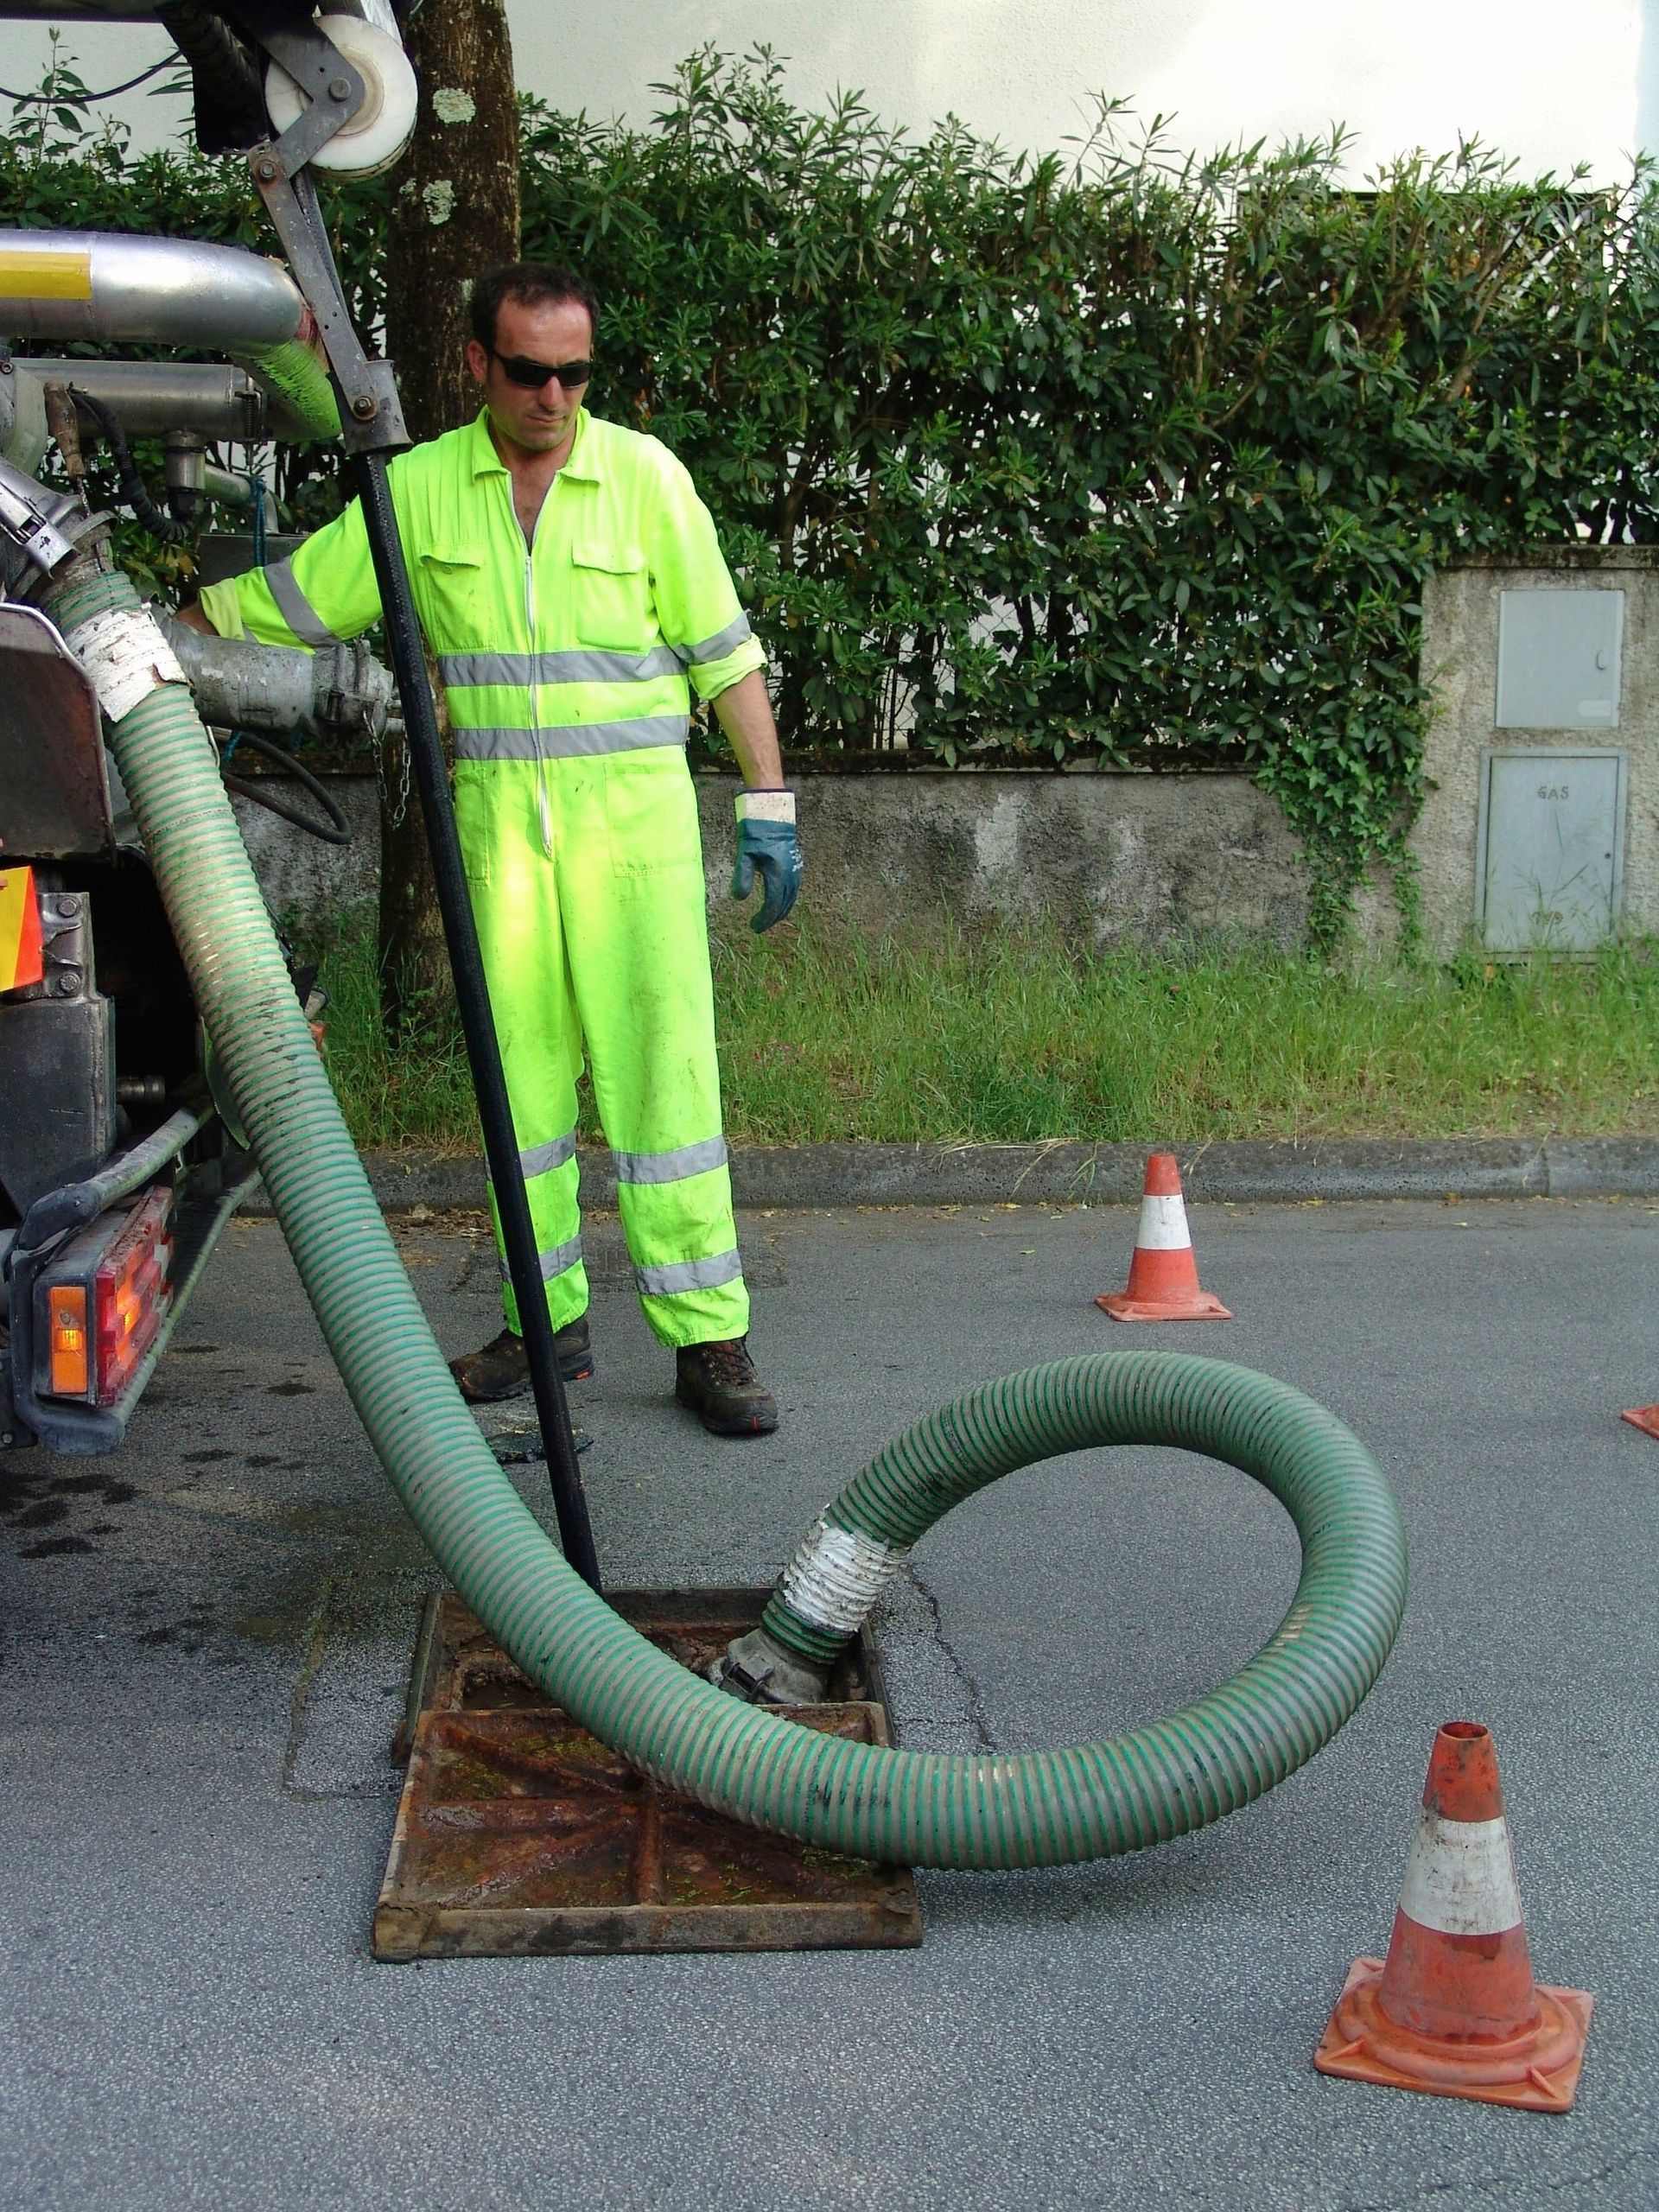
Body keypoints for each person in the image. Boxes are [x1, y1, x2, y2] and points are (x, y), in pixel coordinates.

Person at [185, 261, 799, 1436]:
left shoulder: (647, 482)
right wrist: (163, 630)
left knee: (664, 1086)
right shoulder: (419, 492)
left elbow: (726, 653)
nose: (555, 397)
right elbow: (288, 607)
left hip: (636, 840)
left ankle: (709, 1336)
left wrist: (768, 801)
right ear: (479, 365)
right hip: (503, 840)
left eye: (575, 373)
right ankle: (543, 1322)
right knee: (517, 1095)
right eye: (529, 372)